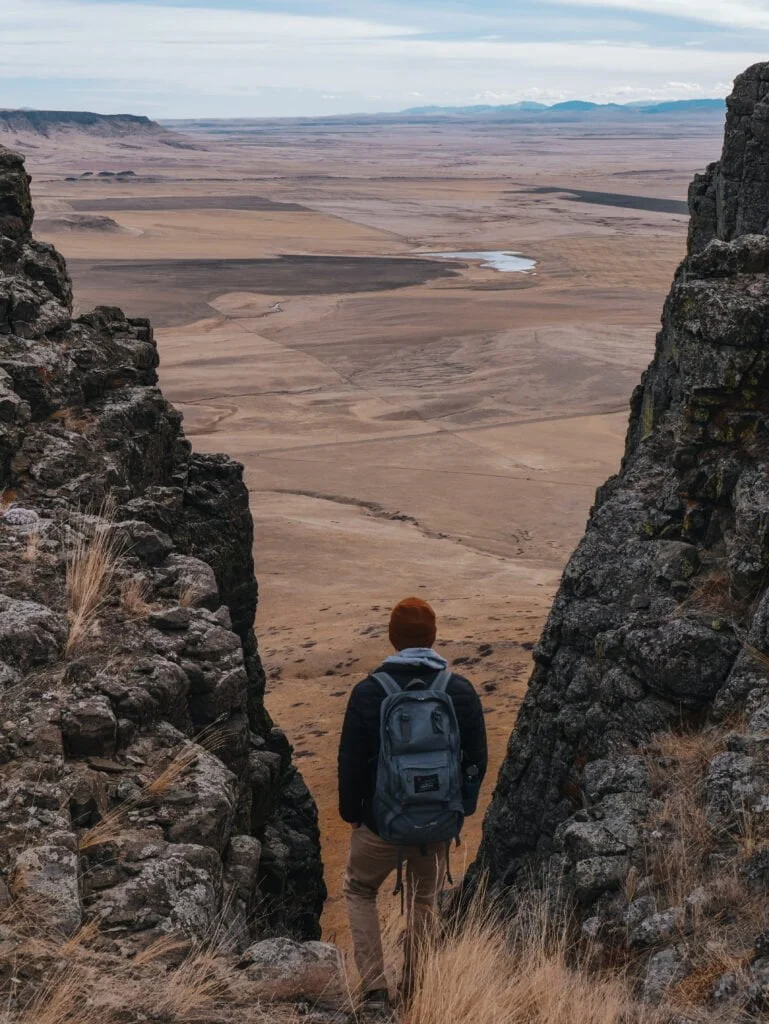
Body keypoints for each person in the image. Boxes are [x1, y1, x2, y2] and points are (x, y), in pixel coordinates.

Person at [338, 597, 488, 1017]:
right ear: (433, 637)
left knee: (360, 889)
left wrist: (354, 814)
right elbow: (477, 758)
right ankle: (416, 986)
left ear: (392, 638)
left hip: (378, 824)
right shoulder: (457, 689)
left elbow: (350, 761)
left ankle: (373, 993)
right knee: (425, 899)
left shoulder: (369, 691)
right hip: (438, 822)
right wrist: (461, 808)